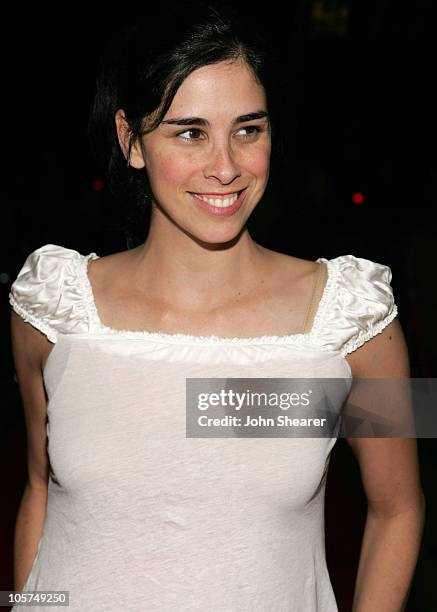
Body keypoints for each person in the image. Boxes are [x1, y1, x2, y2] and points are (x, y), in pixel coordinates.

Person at [8, 2, 425, 610]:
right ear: (132, 141)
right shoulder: (51, 307)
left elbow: (400, 507)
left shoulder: (355, 319)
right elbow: (38, 489)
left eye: (248, 129)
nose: (225, 166)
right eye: (190, 132)